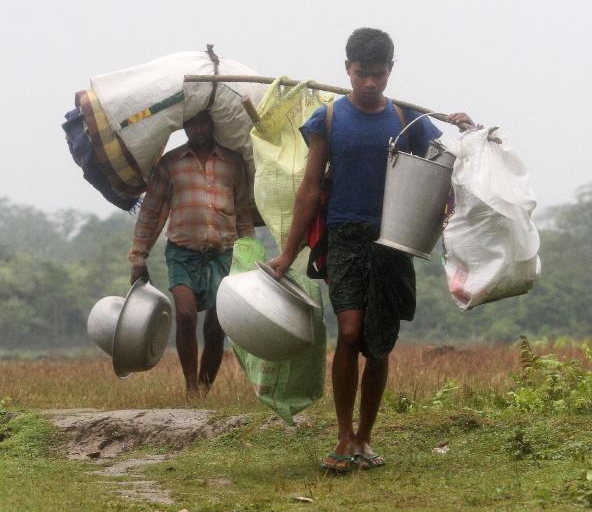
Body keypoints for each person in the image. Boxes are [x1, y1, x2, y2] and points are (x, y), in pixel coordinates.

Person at [267, 28, 474, 472]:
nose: (368, 84)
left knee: (378, 344)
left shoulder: (408, 119)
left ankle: (365, 438)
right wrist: (288, 253)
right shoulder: (327, 120)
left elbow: (445, 167)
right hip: (343, 237)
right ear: (347, 69)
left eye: (377, 75)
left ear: (390, 72)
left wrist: (466, 132)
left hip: (393, 240)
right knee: (349, 332)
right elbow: (308, 190)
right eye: (361, 74)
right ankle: (343, 435)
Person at [129, 110, 255, 396]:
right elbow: (151, 213)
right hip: (182, 253)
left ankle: (205, 388)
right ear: (183, 125)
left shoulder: (233, 163)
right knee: (185, 316)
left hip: (224, 254)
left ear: (213, 124)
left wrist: (252, 255)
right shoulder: (170, 163)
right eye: (191, 123)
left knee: (216, 325)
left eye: (203, 122)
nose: (197, 128)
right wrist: (138, 256)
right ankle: (190, 388)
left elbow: (243, 214)